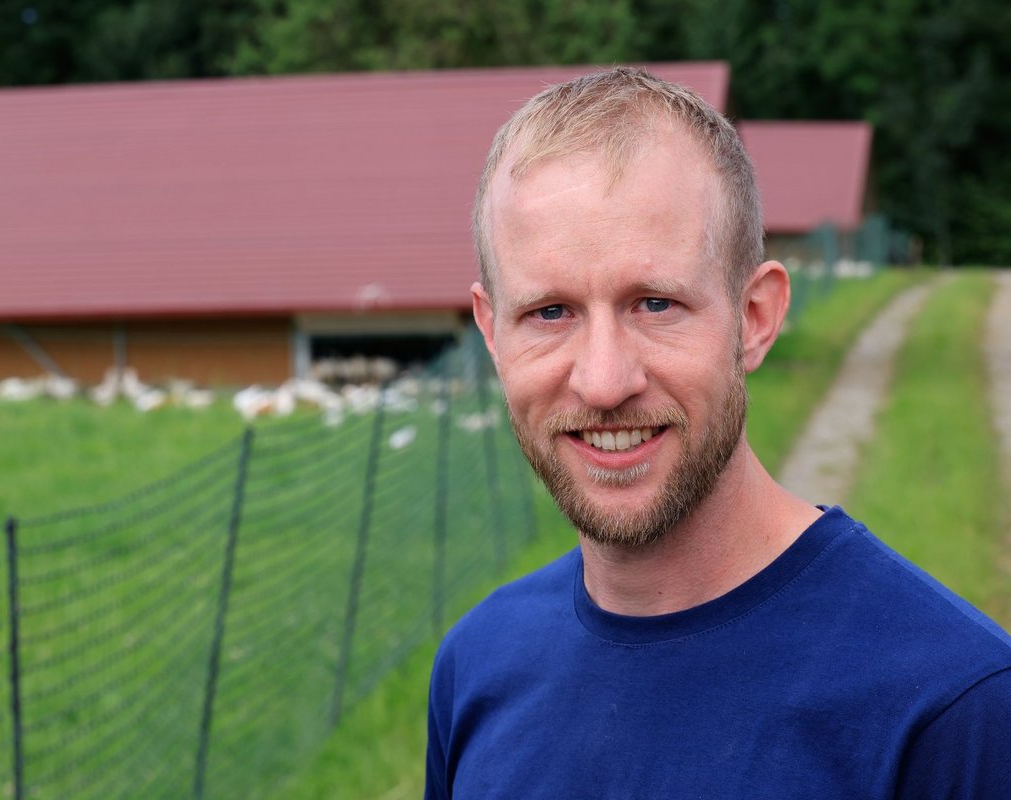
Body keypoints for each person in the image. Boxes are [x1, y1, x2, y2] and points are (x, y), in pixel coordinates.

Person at [425, 66, 1011, 799]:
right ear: (490, 331)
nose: (604, 382)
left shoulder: (955, 712)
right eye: (550, 313)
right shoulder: (476, 670)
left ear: (755, 318)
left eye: (656, 304)